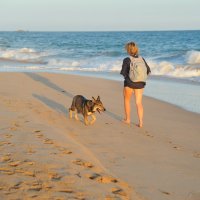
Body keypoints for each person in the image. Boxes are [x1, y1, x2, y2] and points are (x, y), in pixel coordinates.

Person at [120, 42, 151, 127]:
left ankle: (128, 119)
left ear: (128, 50)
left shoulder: (127, 59)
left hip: (129, 83)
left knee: (127, 100)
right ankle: (141, 122)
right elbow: (148, 70)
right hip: (140, 83)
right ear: (136, 49)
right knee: (138, 103)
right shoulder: (141, 58)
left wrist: (128, 80)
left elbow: (123, 73)